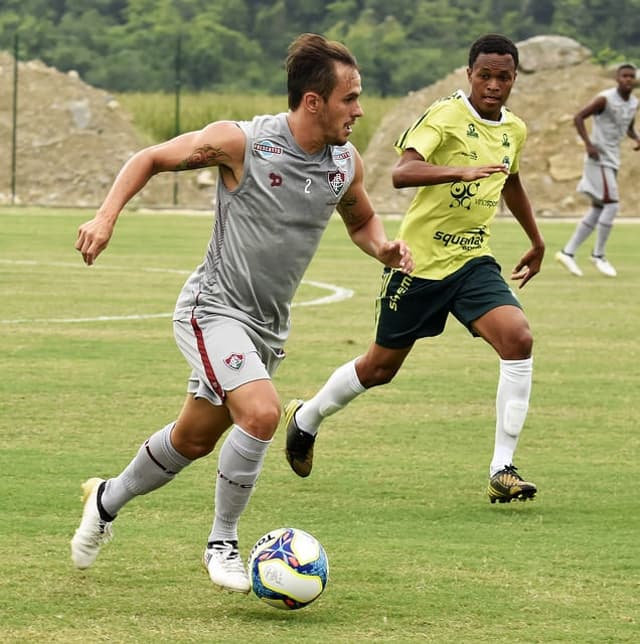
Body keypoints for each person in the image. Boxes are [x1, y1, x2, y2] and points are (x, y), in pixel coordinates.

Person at [70, 32, 413, 593]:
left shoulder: (343, 165)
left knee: (193, 439)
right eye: (349, 98)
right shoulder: (241, 143)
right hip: (213, 309)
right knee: (261, 414)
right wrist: (106, 217)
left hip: (267, 328)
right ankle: (222, 544)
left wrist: (384, 247)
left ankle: (105, 499)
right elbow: (151, 157)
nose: (359, 109)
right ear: (312, 102)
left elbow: (360, 221)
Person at [284, 33, 545, 504]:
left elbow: (511, 181)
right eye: (484, 75)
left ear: (513, 80)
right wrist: (459, 171)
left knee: (518, 338)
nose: (492, 85)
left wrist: (536, 238)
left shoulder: (514, 130)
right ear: (469, 75)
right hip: (417, 265)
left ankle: (501, 468)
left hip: (471, 264)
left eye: (502, 77)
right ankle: (308, 418)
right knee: (379, 368)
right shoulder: (445, 116)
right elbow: (402, 172)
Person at [555, 63, 639, 278]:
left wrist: (637, 138)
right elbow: (578, 117)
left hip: (613, 159)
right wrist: (588, 144)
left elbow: (627, 127)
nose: (628, 80)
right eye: (624, 76)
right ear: (617, 78)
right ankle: (598, 255)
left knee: (598, 208)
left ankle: (568, 252)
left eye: (631, 76)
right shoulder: (605, 98)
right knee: (612, 205)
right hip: (598, 157)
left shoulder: (634, 103)